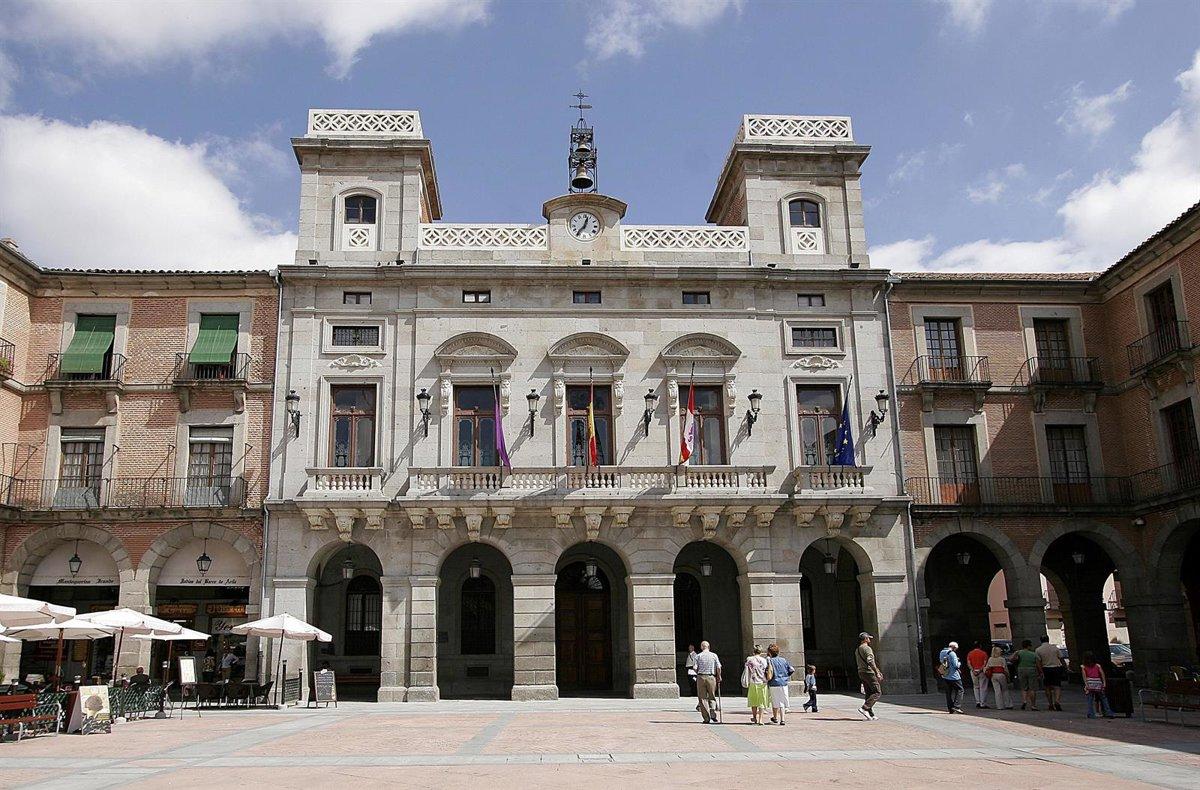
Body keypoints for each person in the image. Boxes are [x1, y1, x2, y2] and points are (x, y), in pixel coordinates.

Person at [1080, 651, 1116, 719]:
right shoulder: (1097, 665)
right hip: (1098, 682)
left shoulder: (1083, 667)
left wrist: (1086, 685)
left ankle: (1091, 713)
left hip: (1090, 683)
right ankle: (1109, 712)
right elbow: (1102, 674)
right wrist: (1104, 683)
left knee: (1090, 699)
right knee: (1103, 698)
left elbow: (1084, 676)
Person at [694, 641, 722, 724]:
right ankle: (713, 713)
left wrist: (698, 673)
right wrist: (719, 676)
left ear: (702, 647)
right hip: (711, 677)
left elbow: (695, 667)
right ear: (708, 647)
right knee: (712, 695)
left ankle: (706, 718)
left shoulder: (698, 656)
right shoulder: (714, 655)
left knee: (702, 698)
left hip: (701, 677)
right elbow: (719, 667)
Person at [765, 644, 795, 725]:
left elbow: (768, 672)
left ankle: (777, 718)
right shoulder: (784, 660)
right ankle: (781, 719)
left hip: (774, 683)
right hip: (783, 683)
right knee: (782, 701)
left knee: (775, 701)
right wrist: (786, 676)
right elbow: (792, 669)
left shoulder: (770, 661)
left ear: (770, 653)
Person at [856, 632, 883, 720]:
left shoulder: (858, 649)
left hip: (861, 672)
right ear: (865, 639)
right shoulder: (867, 648)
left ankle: (870, 714)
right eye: (868, 638)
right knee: (877, 692)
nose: (869, 640)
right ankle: (865, 708)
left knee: (869, 692)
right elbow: (870, 661)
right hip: (868, 672)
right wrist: (877, 672)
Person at [1036, 635, 1065, 712]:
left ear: (1040, 641)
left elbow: (1038, 662)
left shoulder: (1038, 650)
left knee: (1047, 687)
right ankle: (1057, 701)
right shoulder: (1055, 648)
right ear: (1048, 639)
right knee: (1057, 686)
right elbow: (1061, 658)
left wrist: (1040, 672)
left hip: (1046, 669)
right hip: (1056, 668)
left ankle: (1050, 704)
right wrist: (1064, 668)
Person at [743, 645, 770, 725]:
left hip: (753, 682)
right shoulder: (764, 660)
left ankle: (754, 717)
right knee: (761, 701)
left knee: (753, 701)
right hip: (762, 682)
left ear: (753, 651)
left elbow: (747, 669)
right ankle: (760, 719)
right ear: (761, 652)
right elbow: (766, 670)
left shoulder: (749, 659)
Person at [1013, 639, 1043, 710]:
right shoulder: (1033, 654)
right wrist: (1041, 672)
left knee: (1023, 687)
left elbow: (1012, 659)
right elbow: (1038, 664)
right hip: (1031, 669)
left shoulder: (1019, 653)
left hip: (1021, 669)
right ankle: (1033, 705)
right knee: (1032, 688)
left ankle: (1024, 701)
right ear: (1029, 646)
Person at [938, 641, 965, 714]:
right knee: (960, 689)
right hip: (954, 676)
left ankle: (950, 708)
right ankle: (957, 706)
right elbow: (956, 665)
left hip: (945, 675)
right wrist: (959, 662)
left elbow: (942, 662)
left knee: (948, 692)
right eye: (956, 649)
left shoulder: (942, 652)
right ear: (954, 647)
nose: (956, 650)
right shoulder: (952, 653)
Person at [985, 645, 1013, 709]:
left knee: (997, 691)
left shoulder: (990, 659)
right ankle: (1008, 704)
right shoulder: (1002, 659)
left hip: (993, 675)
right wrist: (1008, 676)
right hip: (1001, 674)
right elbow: (1005, 669)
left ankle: (999, 706)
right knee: (1005, 689)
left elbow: (987, 667)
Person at [966, 641, 990, 709]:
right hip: (981, 672)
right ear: (980, 646)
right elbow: (985, 663)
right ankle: (983, 703)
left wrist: (973, 670)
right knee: (983, 687)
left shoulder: (970, 653)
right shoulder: (984, 653)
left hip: (973, 671)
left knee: (976, 687)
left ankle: (978, 702)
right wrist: (980, 670)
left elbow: (969, 663)